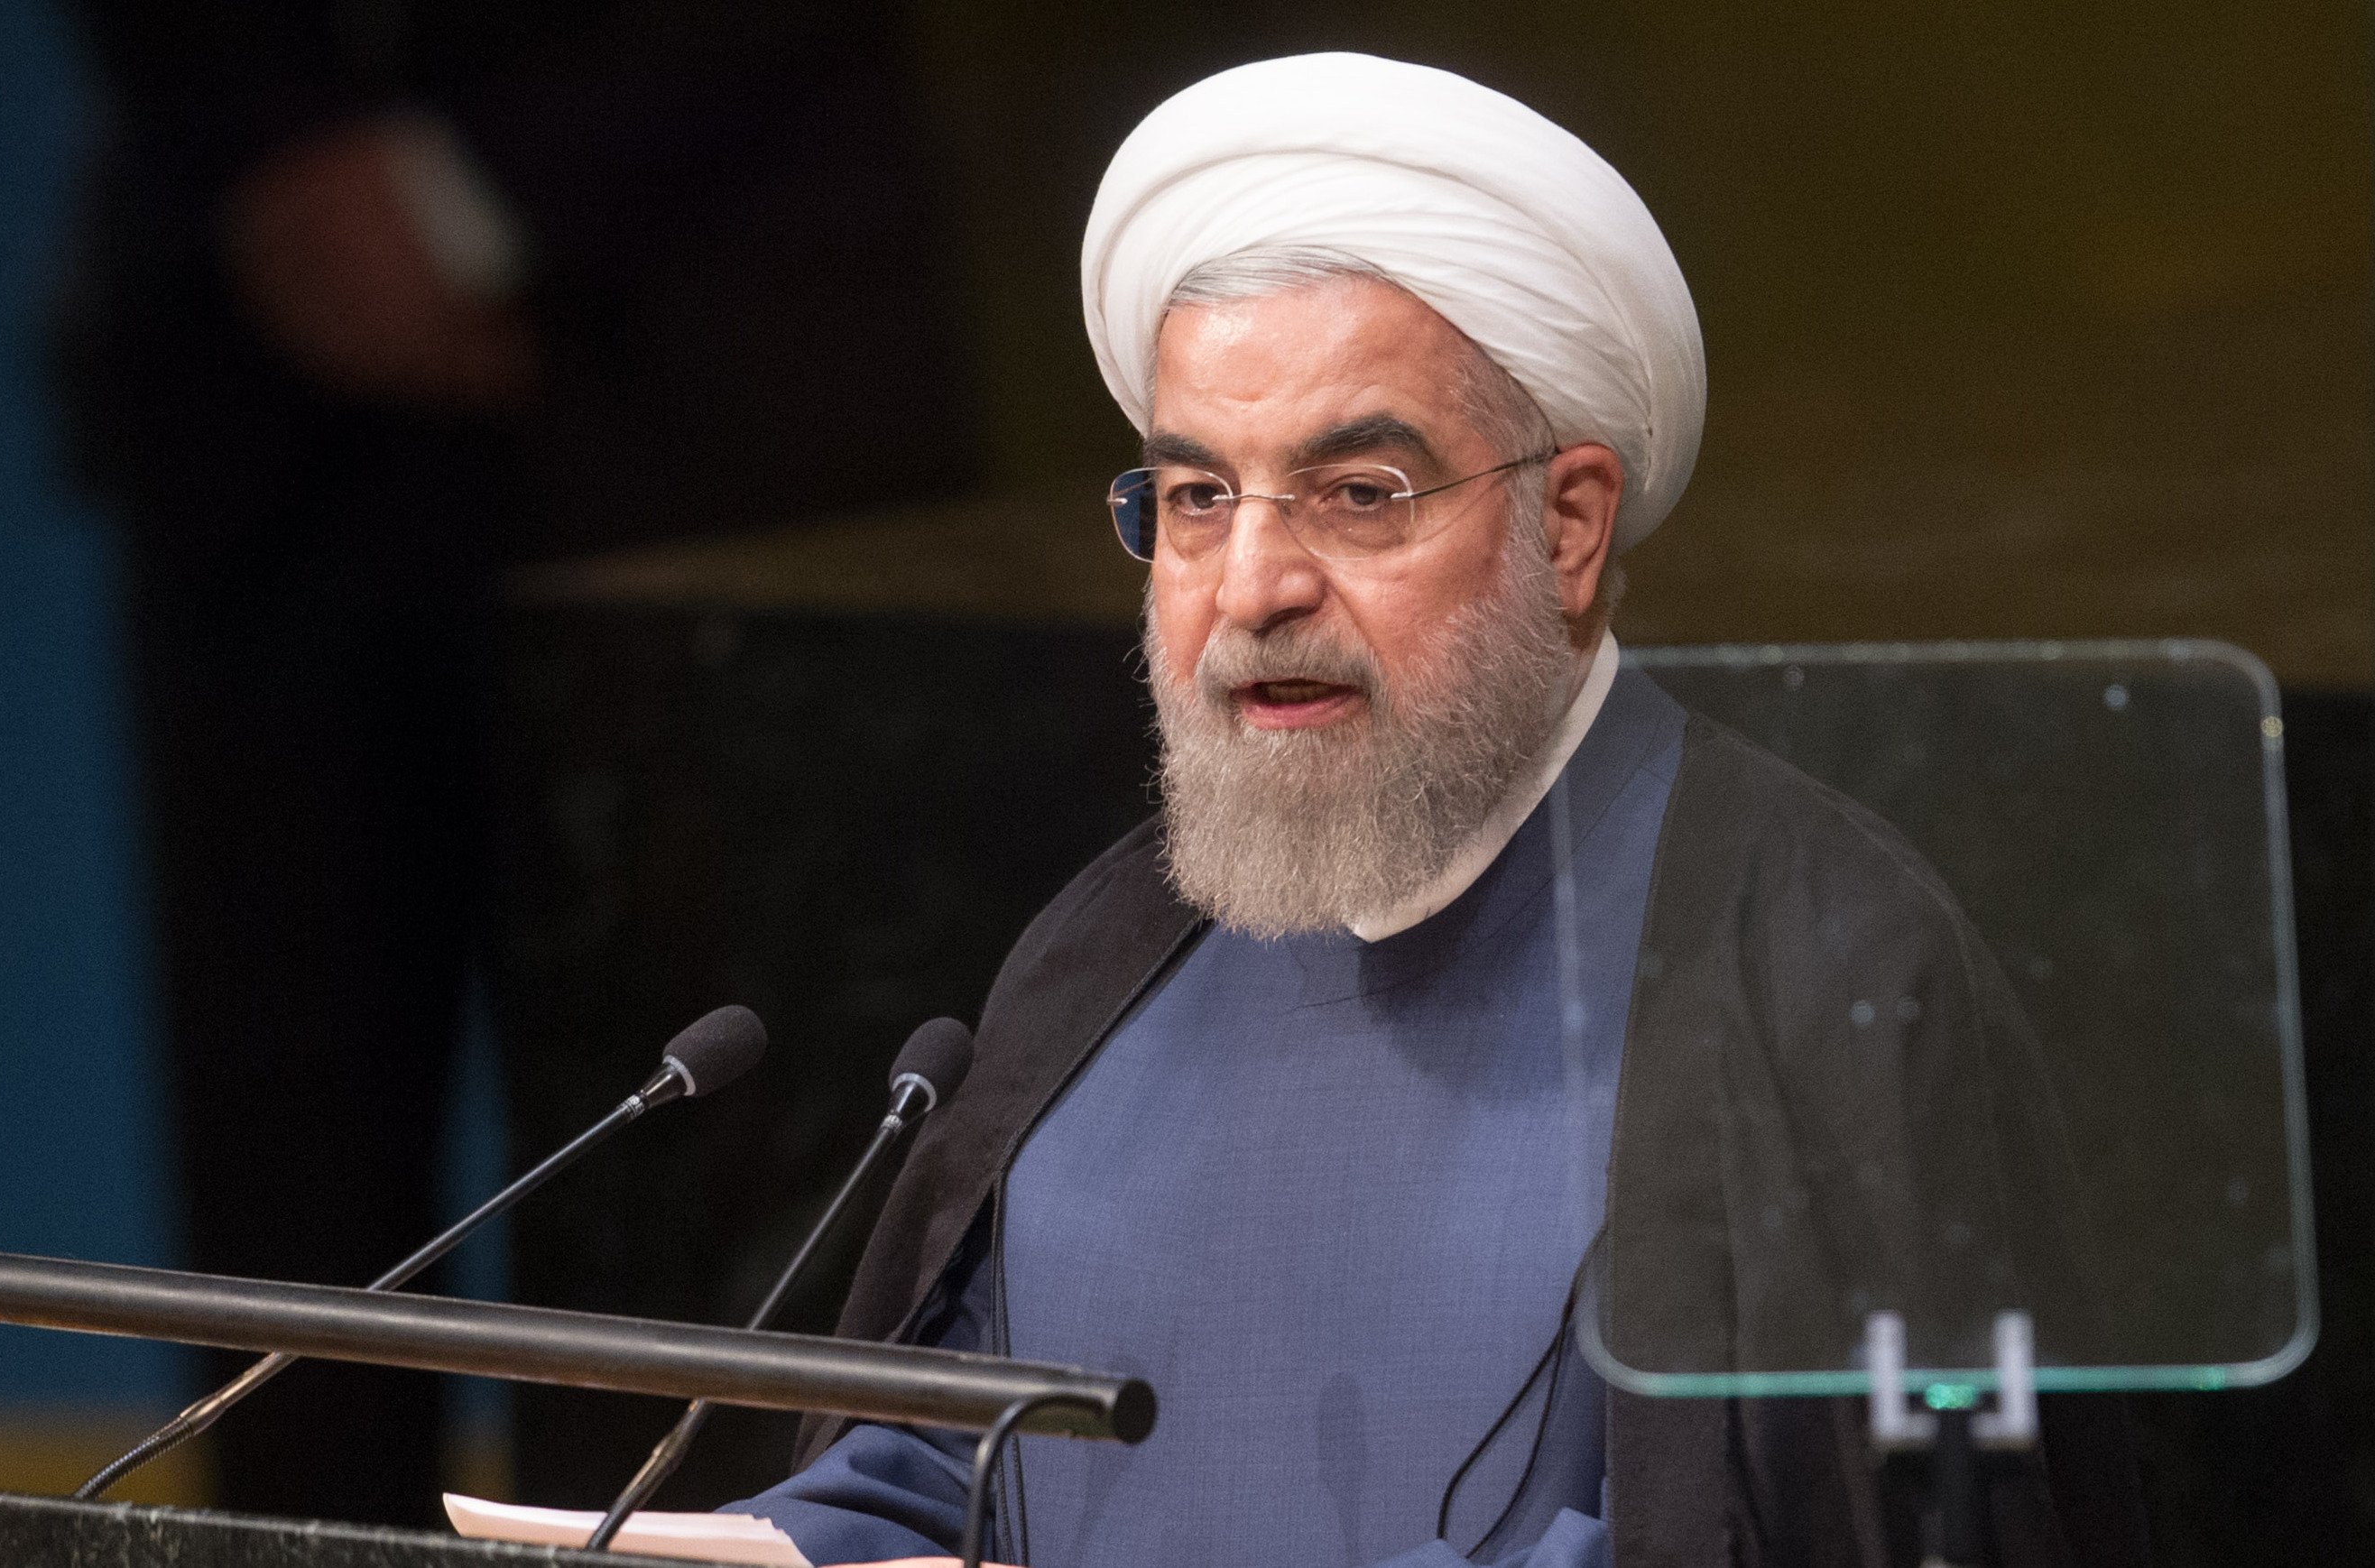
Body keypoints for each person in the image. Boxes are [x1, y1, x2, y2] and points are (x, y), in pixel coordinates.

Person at [723, 53, 2142, 1567]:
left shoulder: (1823, 967)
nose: (1253, 588)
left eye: (1358, 492)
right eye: (1196, 497)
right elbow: (949, 1462)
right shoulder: (1105, 951)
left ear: (1569, 522)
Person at [47, 1, 972, 1524]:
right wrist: (276, 149)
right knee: (285, 1197)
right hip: (250, 392)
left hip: (700, 384)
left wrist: (466, 191)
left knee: (702, 1181)